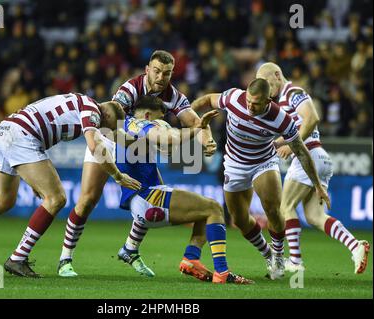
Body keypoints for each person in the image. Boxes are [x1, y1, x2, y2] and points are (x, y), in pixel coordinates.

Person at [0, 93, 141, 278]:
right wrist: (117, 175)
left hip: (6, 130)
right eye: (108, 125)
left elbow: (45, 121)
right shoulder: (93, 111)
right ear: (106, 114)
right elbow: (95, 146)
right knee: (57, 198)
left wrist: (35, 176)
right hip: (22, 136)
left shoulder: (79, 101)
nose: (103, 130)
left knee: (3, 200)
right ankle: (18, 258)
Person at [57, 50, 217, 279]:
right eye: (157, 71)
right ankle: (65, 258)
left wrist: (208, 140)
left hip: (138, 147)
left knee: (154, 193)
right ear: (147, 70)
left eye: (167, 73)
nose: (162, 77)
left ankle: (130, 250)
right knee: (88, 199)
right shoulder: (130, 89)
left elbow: (195, 122)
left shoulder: (174, 95)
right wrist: (151, 133)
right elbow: (113, 118)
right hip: (109, 139)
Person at [191, 78, 331, 280]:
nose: (249, 106)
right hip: (234, 164)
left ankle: (279, 257)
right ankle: (268, 254)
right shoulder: (234, 97)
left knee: (273, 209)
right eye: (248, 100)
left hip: (263, 163)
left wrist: (317, 185)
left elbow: (301, 151)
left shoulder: (281, 119)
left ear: (268, 101)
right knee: (238, 219)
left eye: (255, 103)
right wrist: (189, 116)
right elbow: (207, 98)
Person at [116, 95, 253, 284]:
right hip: (148, 198)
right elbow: (166, 139)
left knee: (203, 211)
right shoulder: (142, 125)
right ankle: (222, 272)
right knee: (214, 208)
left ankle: (191, 259)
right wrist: (197, 128)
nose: (160, 123)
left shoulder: (127, 125)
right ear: (148, 115)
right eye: (159, 119)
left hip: (141, 201)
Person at [256, 62, 370, 274]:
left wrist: (291, 145)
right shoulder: (281, 100)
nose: (265, 88)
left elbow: (312, 118)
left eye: (267, 82)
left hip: (308, 155)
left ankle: (296, 262)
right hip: (320, 159)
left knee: (285, 207)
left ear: (277, 75)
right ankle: (356, 246)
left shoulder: (293, 92)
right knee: (315, 217)